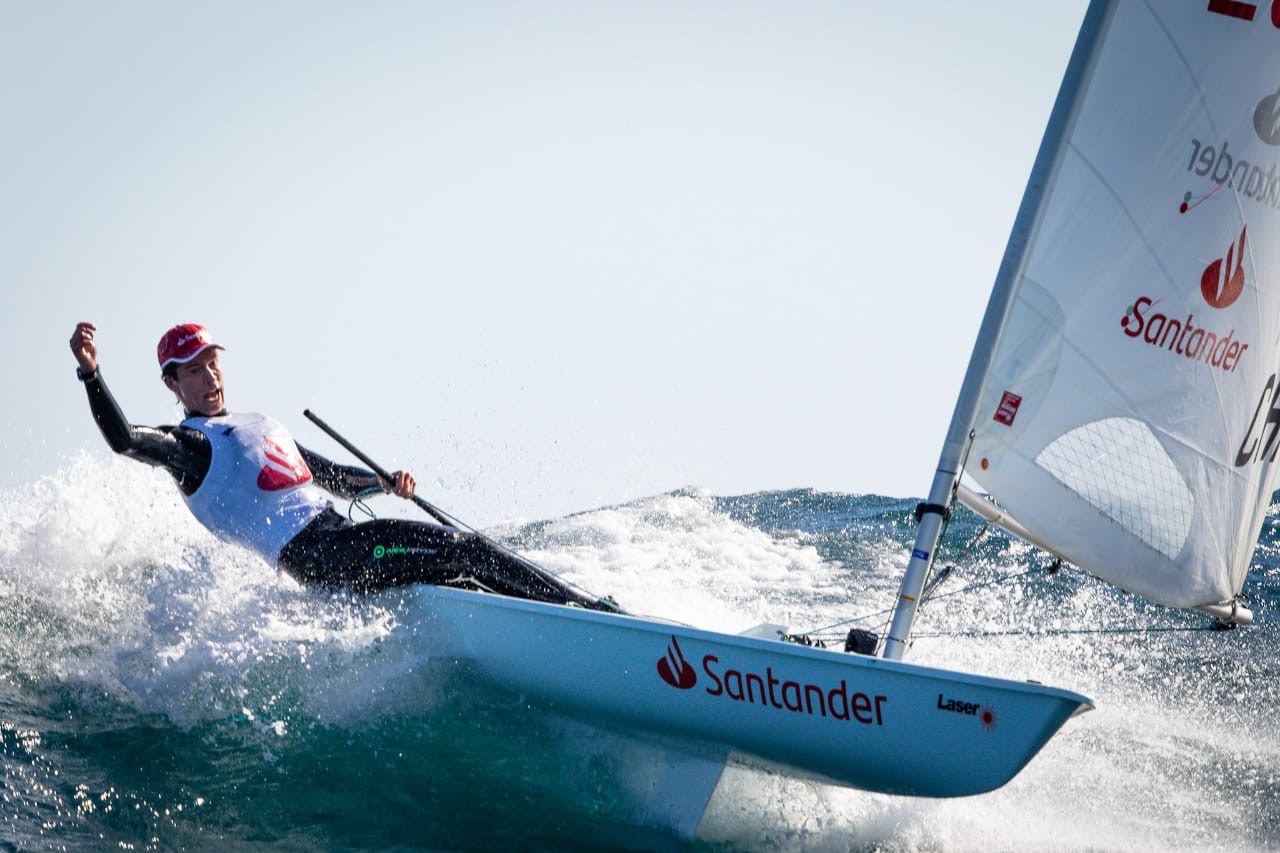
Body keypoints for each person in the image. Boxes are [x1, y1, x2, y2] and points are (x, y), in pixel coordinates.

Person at [68, 321, 617, 610]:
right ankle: (586, 609)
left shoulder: (255, 425)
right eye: (193, 372)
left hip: (346, 538)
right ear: (172, 383)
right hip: (318, 556)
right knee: (464, 549)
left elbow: (327, 474)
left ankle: (549, 617)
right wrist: (92, 374)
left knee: (459, 575)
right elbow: (123, 439)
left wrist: (381, 482)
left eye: (212, 365)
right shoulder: (189, 447)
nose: (209, 378)